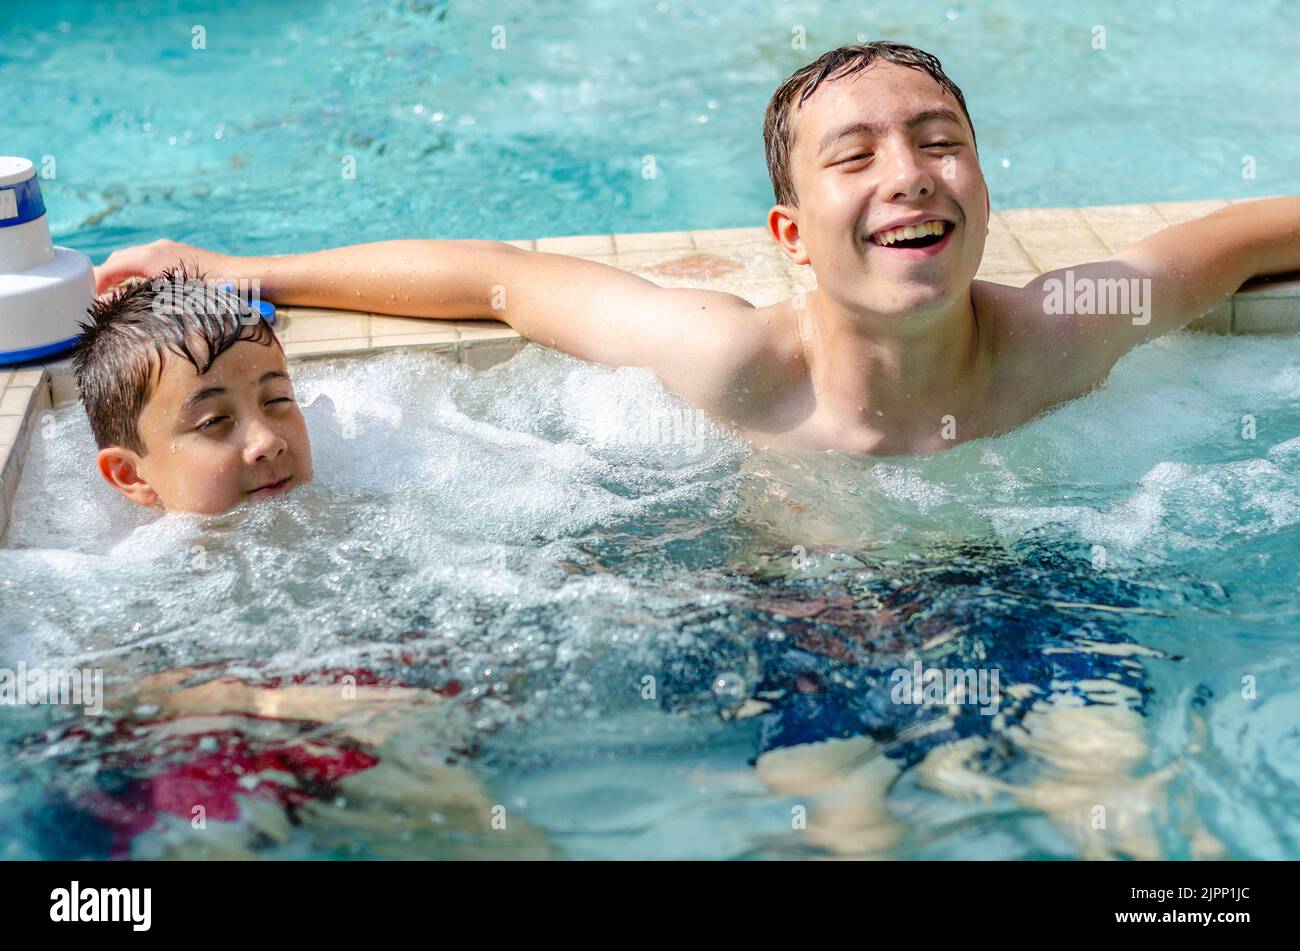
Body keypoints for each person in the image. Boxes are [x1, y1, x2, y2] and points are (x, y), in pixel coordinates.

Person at [91, 41, 1300, 461]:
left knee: (1134, 818)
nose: (908, 173)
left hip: (1032, 595)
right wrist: (247, 270)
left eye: (939, 143)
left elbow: (1253, 235)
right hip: (810, 606)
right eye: (856, 155)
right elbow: (498, 281)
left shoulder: (1068, 326)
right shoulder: (728, 361)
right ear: (789, 236)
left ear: (980, 189)